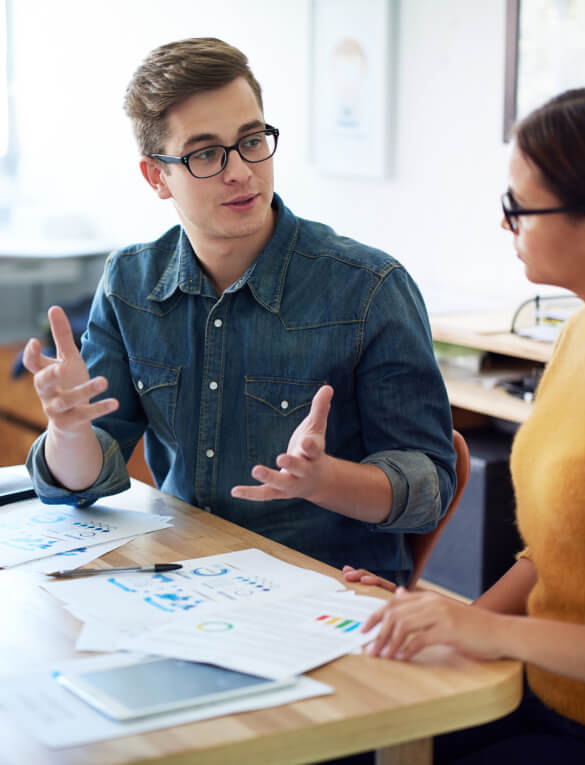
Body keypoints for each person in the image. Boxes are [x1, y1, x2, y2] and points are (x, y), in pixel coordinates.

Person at [21, 37, 456, 585]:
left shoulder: (369, 289)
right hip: (183, 579)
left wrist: (323, 480)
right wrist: (67, 431)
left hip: (326, 592)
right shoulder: (130, 282)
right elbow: (84, 485)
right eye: (205, 153)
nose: (240, 171)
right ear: (157, 176)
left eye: (252, 140)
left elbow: (429, 490)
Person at [347, 80, 585, 763]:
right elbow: (559, 551)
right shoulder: (584, 333)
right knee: (346, 729)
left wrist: (488, 633)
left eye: (516, 207)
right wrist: (445, 622)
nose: (505, 224)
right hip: (539, 693)